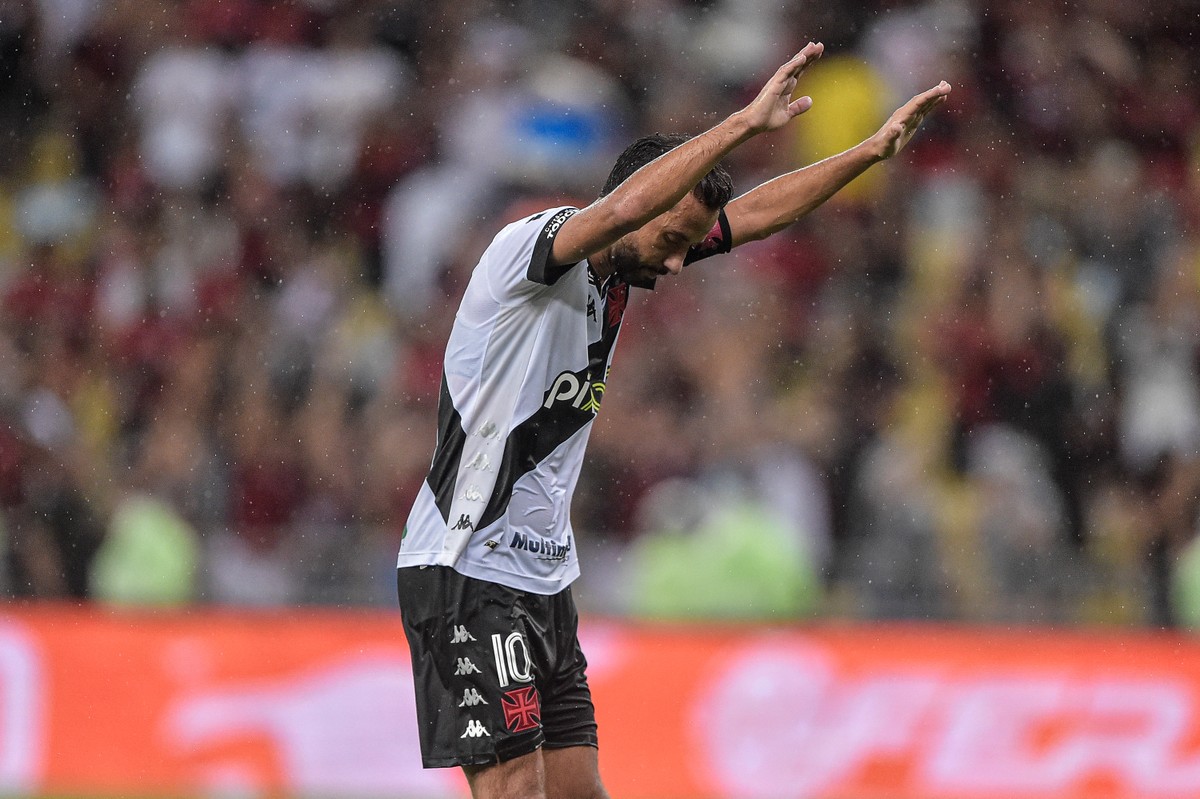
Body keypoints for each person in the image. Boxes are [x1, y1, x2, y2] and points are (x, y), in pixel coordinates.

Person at [396, 41, 950, 799]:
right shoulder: (531, 249)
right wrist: (745, 125)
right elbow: (624, 209)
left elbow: (750, 215)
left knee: (579, 791)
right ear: (644, 204)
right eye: (670, 242)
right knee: (515, 791)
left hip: (542, 578)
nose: (677, 266)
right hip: (467, 565)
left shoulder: (627, 264)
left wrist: (871, 152)